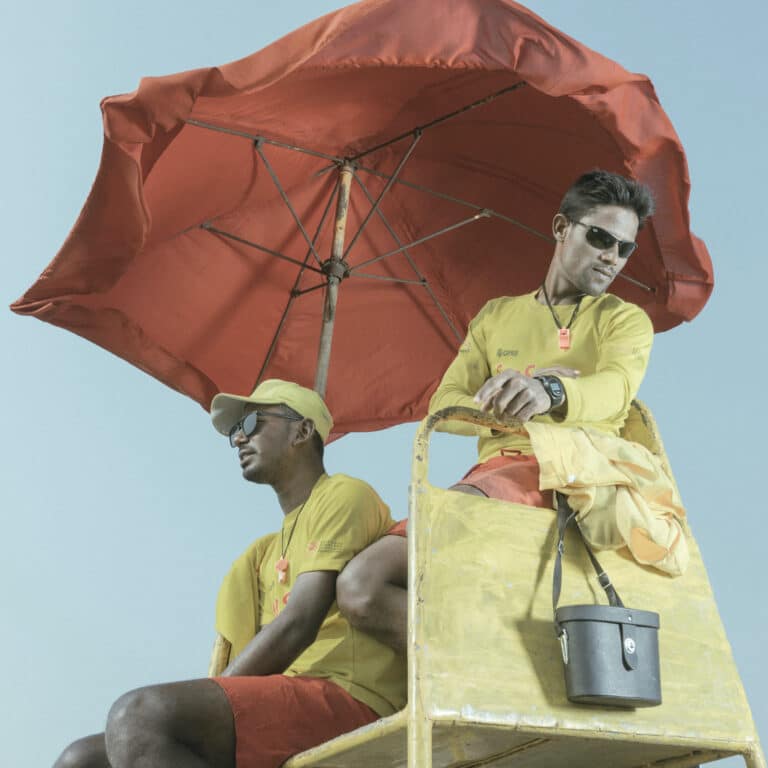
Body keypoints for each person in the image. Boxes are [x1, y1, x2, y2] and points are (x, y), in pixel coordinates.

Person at [336, 169, 656, 653]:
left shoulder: (625, 321)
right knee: (356, 584)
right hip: (492, 476)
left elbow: (616, 388)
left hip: (570, 478)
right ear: (561, 228)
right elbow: (443, 406)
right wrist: (500, 409)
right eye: (599, 237)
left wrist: (550, 391)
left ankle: (474, 668)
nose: (612, 257)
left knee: (364, 584)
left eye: (624, 248)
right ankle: (472, 663)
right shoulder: (496, 316)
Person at [53, 379, 406, 768]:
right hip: (288, 697)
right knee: (79, 760)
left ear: (303, 431)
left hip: (349, 695)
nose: (239, 438)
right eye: (235, 431)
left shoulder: (343, 495)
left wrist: (215, 693)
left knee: (139, 716)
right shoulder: (264, 552)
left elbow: (299, 624)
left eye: (253, 422)